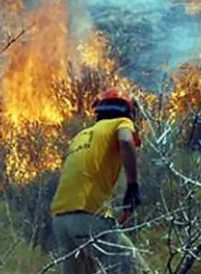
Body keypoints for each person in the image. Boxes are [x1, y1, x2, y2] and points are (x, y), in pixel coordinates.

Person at [49, 88, 145, 274]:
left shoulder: (80, 136)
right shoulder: (121, 122)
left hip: (61, 221)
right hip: (88, 215)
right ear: (127, 111)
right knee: (134, 270)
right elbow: (126, 142)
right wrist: (133, 187)